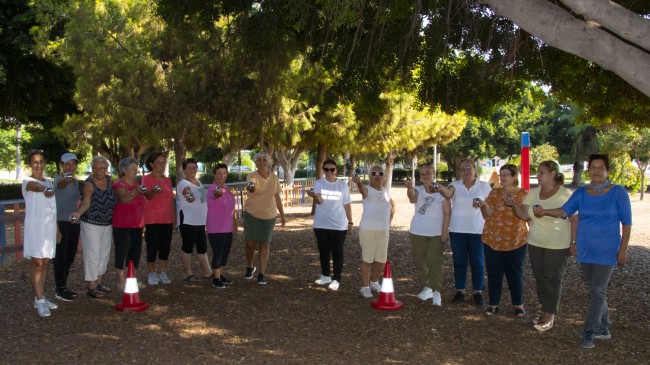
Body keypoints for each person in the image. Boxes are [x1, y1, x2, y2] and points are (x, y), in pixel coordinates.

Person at [535, 154, 632, 349]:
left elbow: (627, 223)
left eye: (601, 167)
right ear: (588, 170)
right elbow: (565, 212)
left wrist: (623, 250)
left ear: (608, 171)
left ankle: (589, 331)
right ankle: (604, 328)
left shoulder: (618, 192)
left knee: (597, 290)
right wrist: (545, 211)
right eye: (593, 167)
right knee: (596, 290)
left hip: (607, 249)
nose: (596, 171)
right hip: (585, 248)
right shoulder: (582, 192)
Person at [507, 161, 575, 331]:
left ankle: (549, 315)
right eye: (538, 172)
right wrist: (514, 205)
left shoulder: (565, 194)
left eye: (542, 172)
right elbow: (523, 215)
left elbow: (575, 219)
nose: (538, 175)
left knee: (553, 279)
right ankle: (546, 309)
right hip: (536, 243)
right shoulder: (534, 193)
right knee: (540, 279)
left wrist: (574, 242)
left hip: (558, 244)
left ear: (553, 173)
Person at [437, 158, 491, 305]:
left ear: (475, 169)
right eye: (463, 169)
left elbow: (490, 207)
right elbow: (448, 194)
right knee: (459, 262)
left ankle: (477, 292)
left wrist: (481, 204)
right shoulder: (455, 185)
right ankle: (460, 290)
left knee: (478, 262)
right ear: (459, 172)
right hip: (457, 230)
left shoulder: (484, 186)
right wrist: (441, 189)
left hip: (478, 230)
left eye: (469, 168)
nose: (467, 171)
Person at [477, 164, 528, 316]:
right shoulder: (494, 193)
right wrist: (483, 205)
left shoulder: (524, 194)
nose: (503, 177)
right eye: (501, 175)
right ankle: (493, 303)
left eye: (506, 174)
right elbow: (487, 215)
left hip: (516, 240)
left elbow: (524, 216)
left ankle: (518, 305)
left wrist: (513, 205)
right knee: (494, 273)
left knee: (515, 274)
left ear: (514, 177)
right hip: (493, 240)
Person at [405, 164, 450, 306]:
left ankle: (436, 291)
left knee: (434, 262)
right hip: (417, 231)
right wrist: (409, 188)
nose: (425, 176)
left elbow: (447, 212)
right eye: (422, 174)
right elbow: (412, 198)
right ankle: (427, 287)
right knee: (420, 261)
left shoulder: (441, 191)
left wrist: (444, 232)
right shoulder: (418, 190)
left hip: (436, 233)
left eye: (428, 173)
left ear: (434, 174)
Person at [72, 155, 116, 298]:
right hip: (91, 224)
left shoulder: (109, 180)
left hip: (107, 224)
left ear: (107, 169)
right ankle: (91, 286)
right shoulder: (89, 183)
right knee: (92, 255)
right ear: (92, 169)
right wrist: (78, 214)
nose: (99, 172)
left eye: (102, 169)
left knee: (104, 254)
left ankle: (99, 282)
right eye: (96, 169)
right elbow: (86, 202)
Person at [22, 150, 59, 317]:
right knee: (37, 263)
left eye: (41, 161)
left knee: (45, 263)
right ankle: (39, 300)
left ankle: (40, 298)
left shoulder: (49, 181)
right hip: (35, 228)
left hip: (48, 228)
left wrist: (57, 229)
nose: (38, 165)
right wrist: (46, 188)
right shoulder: (27, 182)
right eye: (35, 162)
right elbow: (37, 187)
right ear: (30, 164)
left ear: (44, 163)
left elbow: (52, 208)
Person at [306, 159, 353, 291]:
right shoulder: (319, 183)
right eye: (326, 169)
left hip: (339, 225)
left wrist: (350, 221)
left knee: (337, 252)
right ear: (323, 170)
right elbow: (320, 201)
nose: (329, 172)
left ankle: (336, 278)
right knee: (323, 251)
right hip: (321, 223)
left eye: (332, 169)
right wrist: (314, 196)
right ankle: (325, 275)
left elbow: (347, 204)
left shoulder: (342, 185)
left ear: (336, 170)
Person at [243, 151, 286, 285]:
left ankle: (262, 273)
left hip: (269, 216)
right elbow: (251, 185)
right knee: (250, 244)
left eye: (264, 160)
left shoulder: (274, 178)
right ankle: (250, 266)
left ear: (268, 162)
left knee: (264, 245)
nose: (261, 162)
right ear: (255, 163)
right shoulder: (252, 176)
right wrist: (250, 187)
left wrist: (283, 215)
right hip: (252, 215)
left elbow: (277, 197)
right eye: (259, 160)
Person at [353, 165, 395, 298]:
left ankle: (374, 282)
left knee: (381, 260)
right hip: (368, 230)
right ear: (370, 176)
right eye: (374, 173)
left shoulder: (386, 192)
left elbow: (393, 205)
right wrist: (359, 182)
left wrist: (389, 220)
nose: (377, 175)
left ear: (384, 176)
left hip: (383, 230)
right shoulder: (367, 190)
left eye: (380, 173)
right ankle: (364, 287)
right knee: (367, 259)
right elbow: (362, 191)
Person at [112, 157, 146, 289]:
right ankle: (121, 281)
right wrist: (137, 190)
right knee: (122, 252)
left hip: (137, 224)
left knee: (135, 253)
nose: (135, 172)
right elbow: (124, 198)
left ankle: (131, 280)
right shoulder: (119, 184)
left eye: (136, 169)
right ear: (123, 170)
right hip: (122, 225)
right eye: (132, 169)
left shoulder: (136, 184)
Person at [142, 152, 175, 285]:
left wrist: (174, 218)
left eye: (163, 162)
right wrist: (153, 191)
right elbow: (147, 196)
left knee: (165, 247)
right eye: (159, 162)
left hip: (167, 218)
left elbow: (171, 201)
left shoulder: (167, 180)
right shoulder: (146, 179)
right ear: (151, 164)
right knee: (152, 247)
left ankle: (162, 272)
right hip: (152, 219)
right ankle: (151, 273)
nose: (161, 165)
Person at [177, 158, 212, 282]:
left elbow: (203, 199)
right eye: (189, 168)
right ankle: (188, 273)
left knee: (202, 246)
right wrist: (189, 196)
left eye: (194, 167)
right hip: (188, 220)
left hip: (200, 220)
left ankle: (208, 271)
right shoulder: (183, 183)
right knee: (188, 247)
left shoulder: (198, 181)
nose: (192, 170)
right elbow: (188, 193)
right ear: (184, 170)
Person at [52, 152, 81, 301]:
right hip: (61, 221)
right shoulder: (59, 179)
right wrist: (66, 180)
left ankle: (63, 285)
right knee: (61, 255)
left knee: (70, 254)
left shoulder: (76, 182)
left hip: (73, 222)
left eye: (73, 163)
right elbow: (61, 184)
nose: (70, 166)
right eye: (67, 164)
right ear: (63, 166)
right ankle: (59, 288)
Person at [206, 163, 238, 288]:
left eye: (224, 173)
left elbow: (231, 210)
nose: (222, 175)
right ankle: (216, 279)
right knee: (218, 252)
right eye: (219, 173)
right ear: (214, 174)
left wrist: (234, 225)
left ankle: (221, 275)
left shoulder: (228, 190)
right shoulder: (212, 189)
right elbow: (215, 193)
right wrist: (218, 192)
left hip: (227, 227)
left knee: (225, 253)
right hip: (216, 228)